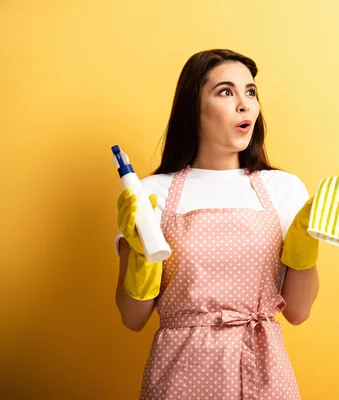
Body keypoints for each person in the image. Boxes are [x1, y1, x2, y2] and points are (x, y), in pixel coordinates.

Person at [114, 49, 320, 399]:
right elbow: (133, 318)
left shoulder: (284, 189)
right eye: (226, 92)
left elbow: (298, 312)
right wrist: (141, 256)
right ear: (193, 109)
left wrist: (306, 244)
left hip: (265, 375)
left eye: (250, 92)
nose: (245, 104)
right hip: (178, 378)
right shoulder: (149, 195)